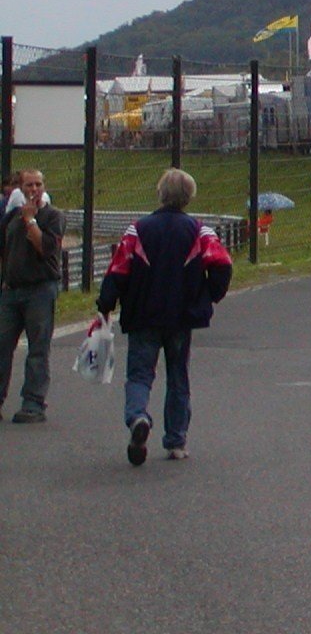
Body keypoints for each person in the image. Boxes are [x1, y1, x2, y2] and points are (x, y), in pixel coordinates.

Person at [95, 169, 233, 463]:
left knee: (139, 375)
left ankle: (137, 417)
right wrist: (208, 295)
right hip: (182, 317)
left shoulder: (137, 230)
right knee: (178, 376)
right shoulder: (199, 230)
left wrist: (106, 305)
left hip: (143, 315)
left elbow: (118, 270)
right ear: (189, 196)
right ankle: (176, 441)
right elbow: (222, 264)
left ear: (160, 193)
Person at [0, 169, 64, 423]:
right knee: (2, 346)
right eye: (29, 185)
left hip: (40, 289)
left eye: (38, 184)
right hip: (11, 290)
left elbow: (44, 248)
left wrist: (31, 220)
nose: (33, 189)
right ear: (20, 188)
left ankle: (33, 403)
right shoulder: (12, 217)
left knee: (38, 348)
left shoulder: (53, 216)